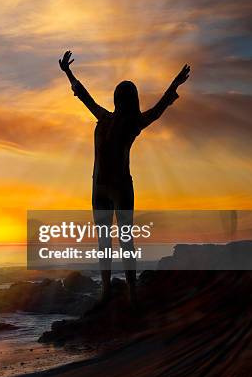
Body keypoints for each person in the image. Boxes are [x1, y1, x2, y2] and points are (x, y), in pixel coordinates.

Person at [59, 51, 190, 306]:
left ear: (122, 100)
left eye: (120, 95)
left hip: (114, 187)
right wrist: (68, 72)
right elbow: (84, 97)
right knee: (109, 241)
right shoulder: (107, 118)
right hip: (102, 187)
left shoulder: (130, 123)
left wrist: (174, 85)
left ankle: (129, 293)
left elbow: (160, 107)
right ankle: (112, 291)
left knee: (121, 240)